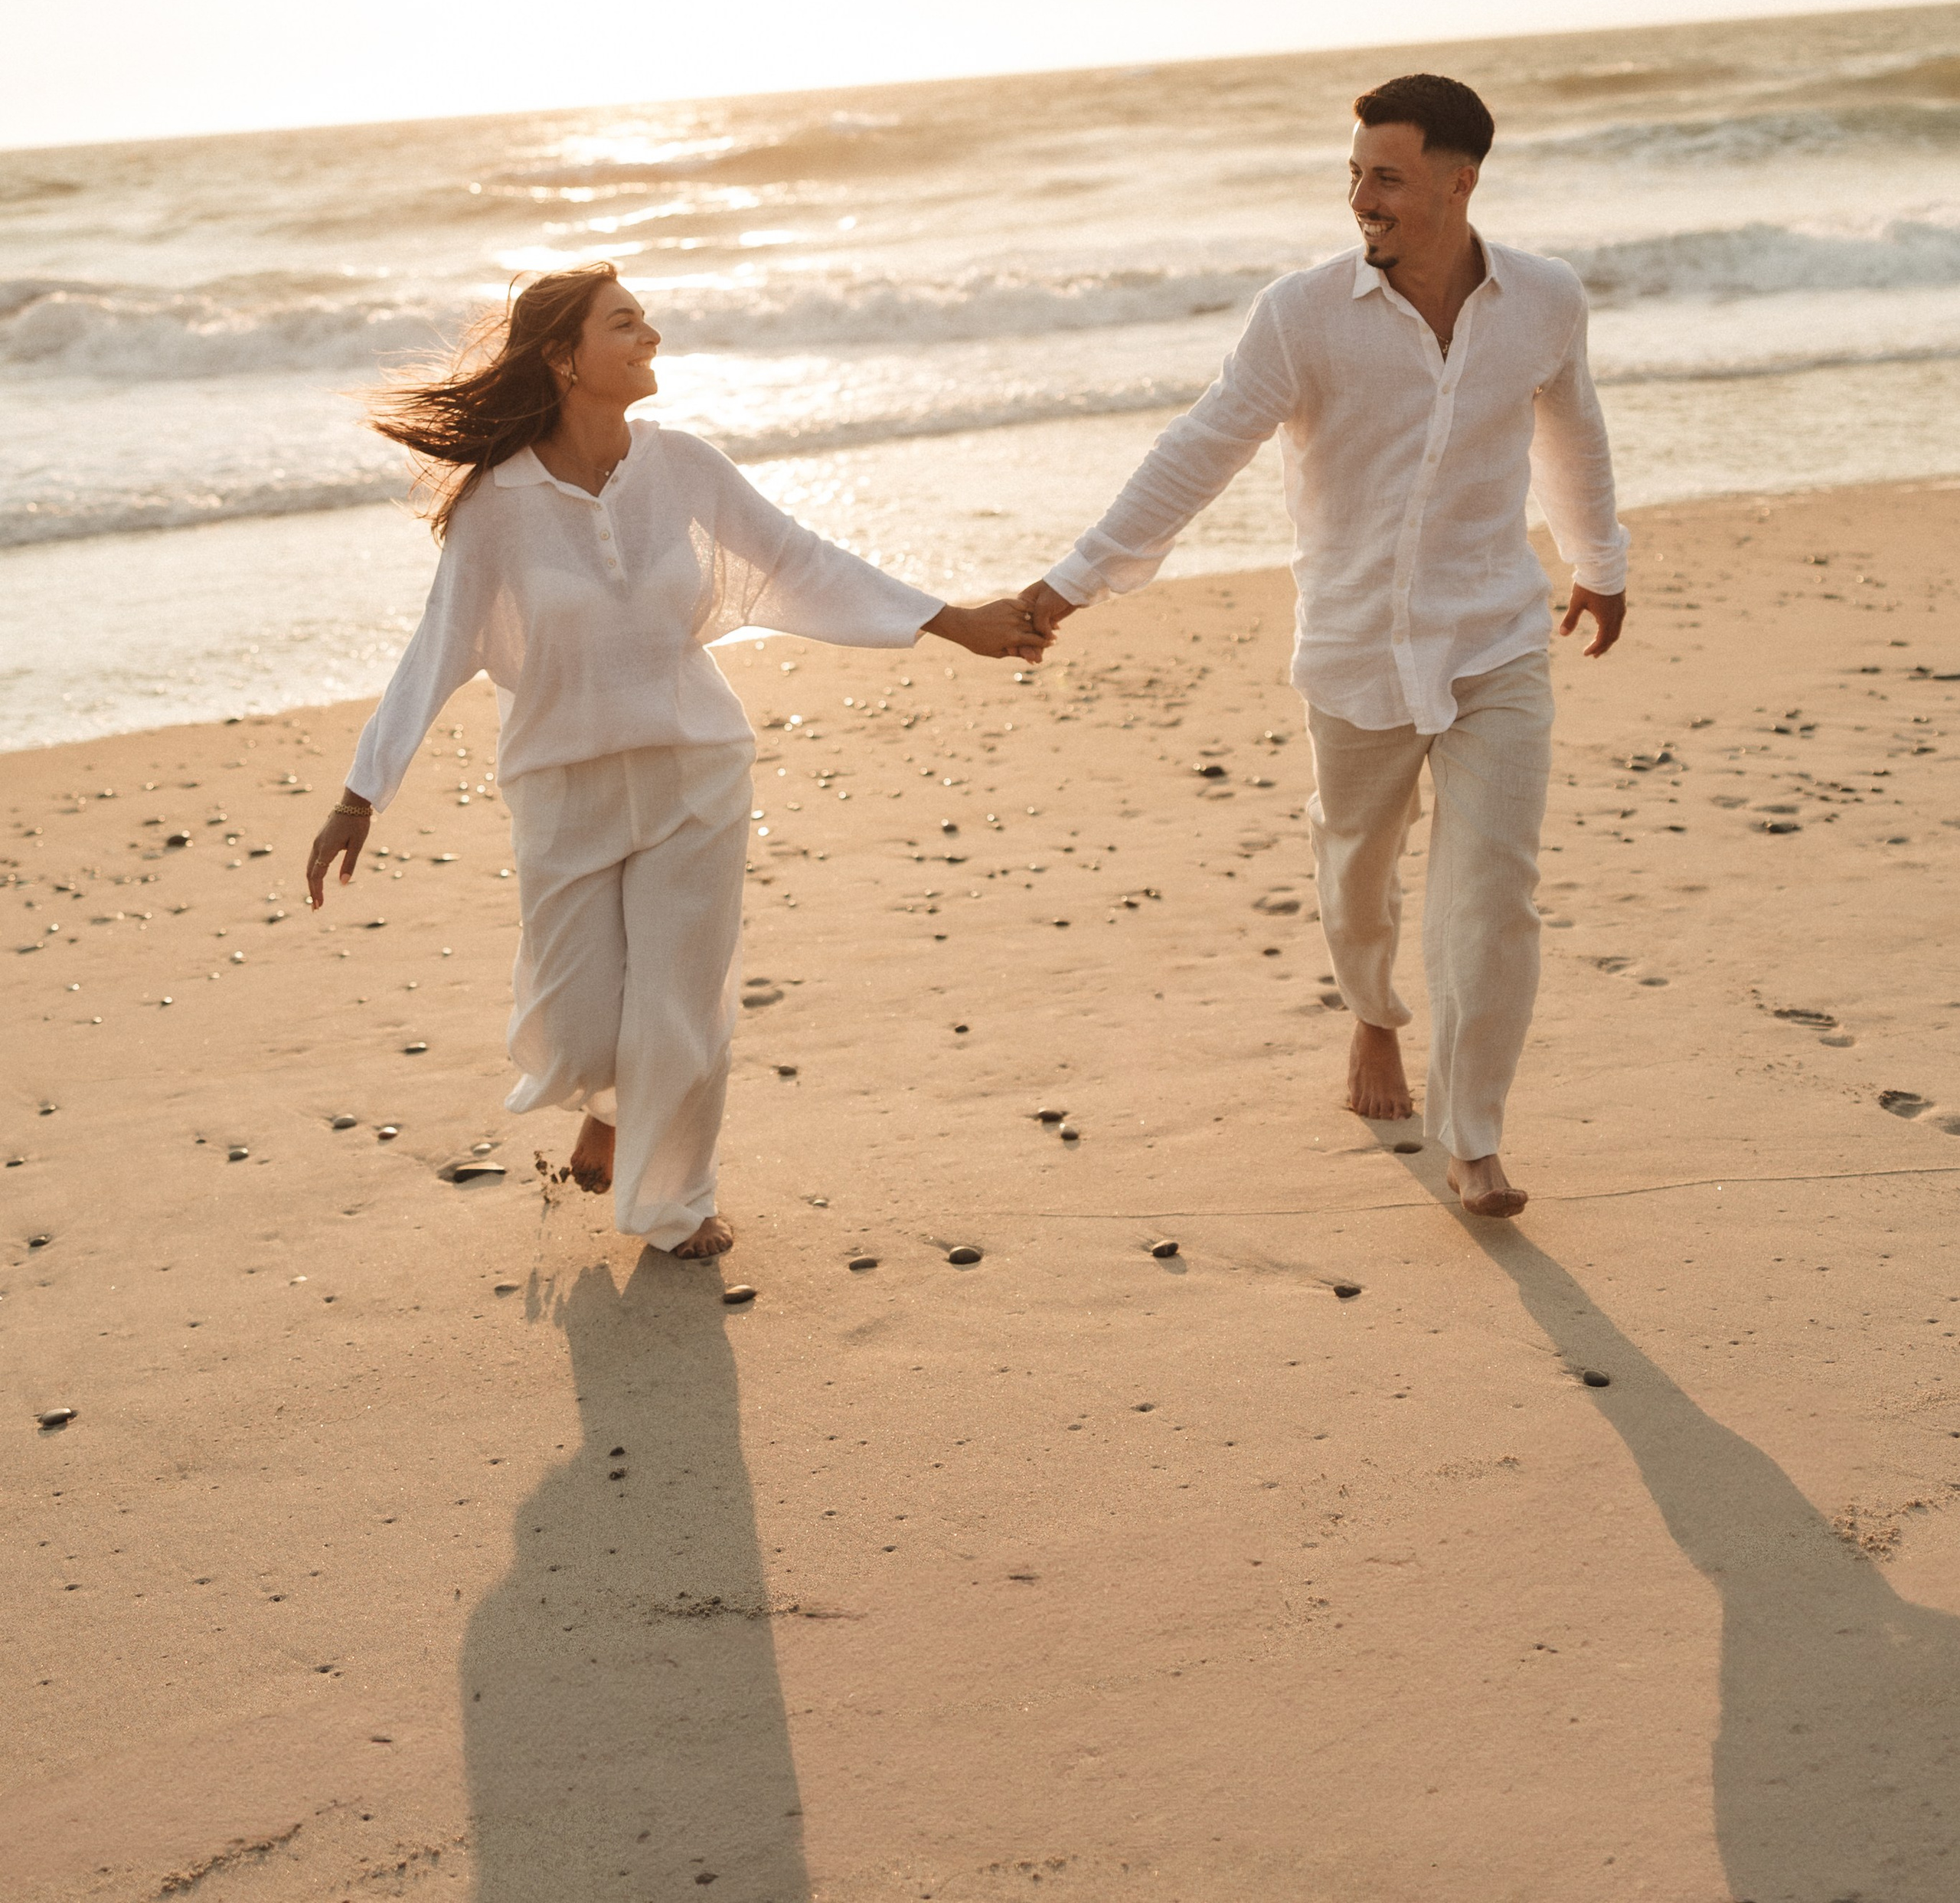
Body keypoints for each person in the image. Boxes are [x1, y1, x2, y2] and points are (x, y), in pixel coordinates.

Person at [305, 263, 1046, 1259]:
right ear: (564, 358)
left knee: (681, 1006)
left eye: (645, 318)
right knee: (577, 1023)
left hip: (695, 769)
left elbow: (802, 562)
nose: (650, 336)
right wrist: (363, 791)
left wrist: (956, 624)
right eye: (626, 324)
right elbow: (437, 649)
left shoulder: (684, 467)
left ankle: (670, 1209)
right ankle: (610, 1107)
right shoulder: (498, 507)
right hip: (562, 786)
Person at [1019, 73, 1628, 1219]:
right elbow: (1199, 450)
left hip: (1494, 634)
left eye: (1386, 177)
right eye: (1354, 176)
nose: (1362, 198)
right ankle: (1372, 1014)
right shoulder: (1301, 315)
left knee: (1494, 887)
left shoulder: (1544, 300)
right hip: (1355, 652)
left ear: (1460, 181)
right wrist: (1073, 583)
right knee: (1357, 877)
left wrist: (1602, 562)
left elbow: (1572, 428)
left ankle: (1475, 1136)